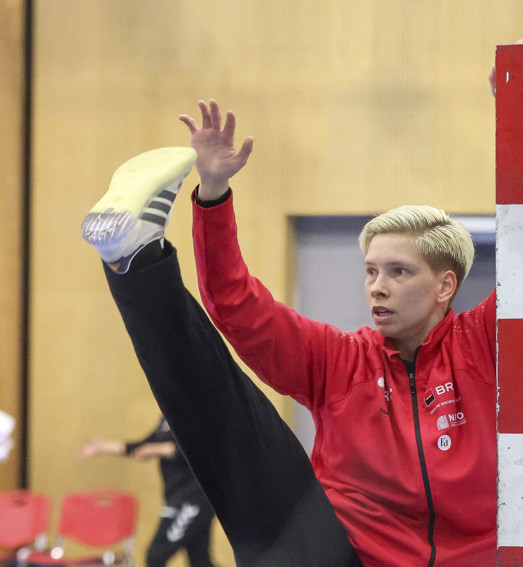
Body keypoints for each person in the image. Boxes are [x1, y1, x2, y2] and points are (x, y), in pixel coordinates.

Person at [80, 98, 498, 566]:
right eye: (370, 272)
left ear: (446, 285)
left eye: (398, 272)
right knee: (232, 408)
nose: (377, 287)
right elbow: (236, 305)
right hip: (337, 558)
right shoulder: (341, 359)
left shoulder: (486, 343)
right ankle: (134, 259)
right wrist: (214, 194)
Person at [78, 418, 218, 567]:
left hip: (192, 499)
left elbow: (195, 449)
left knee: (156, 556)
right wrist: (102, 447)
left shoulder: (192, 411)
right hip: (177, 496)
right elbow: (143, 445)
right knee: (201, 562)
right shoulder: (167, 416)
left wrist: (156, 449)